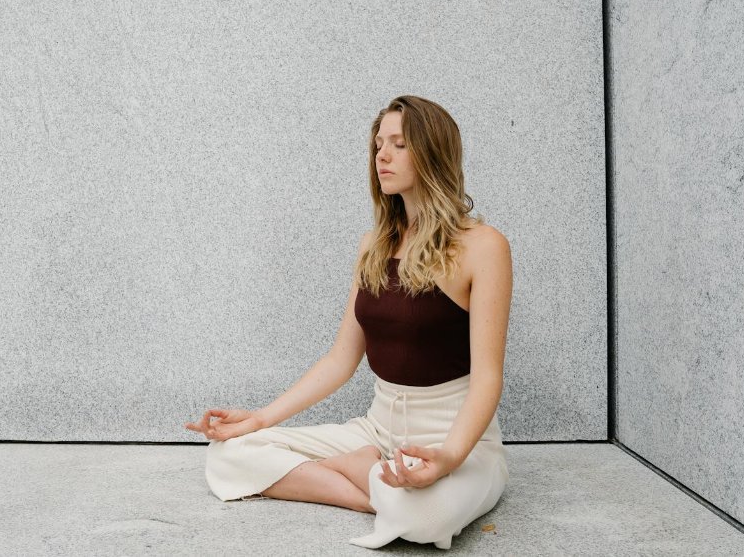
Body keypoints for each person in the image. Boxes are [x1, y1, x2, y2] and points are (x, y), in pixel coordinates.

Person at [184, 95, 512, 550]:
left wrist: (448, 457)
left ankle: (374, 479)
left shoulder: (484, 246)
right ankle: (372, 482)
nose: (382, 154)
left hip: (454, 439)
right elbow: (340, 360)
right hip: (376, 431)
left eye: (399, 143)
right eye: (379, 143)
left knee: (428, 520)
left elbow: (488, 379)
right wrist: (258, 419)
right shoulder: (373, 245)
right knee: (229, 454)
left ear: (433, 152)